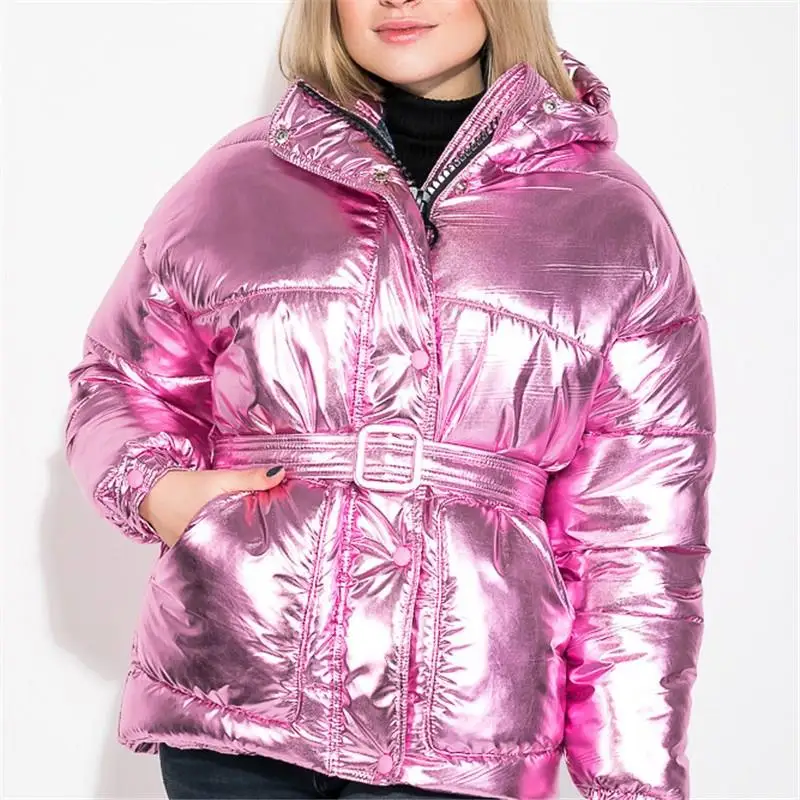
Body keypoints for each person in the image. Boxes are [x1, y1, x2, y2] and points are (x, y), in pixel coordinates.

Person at [64, 0, 717, 798]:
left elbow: (639, 539)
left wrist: (632, 781)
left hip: (465, 733)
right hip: (235, 699)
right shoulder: (235, 181)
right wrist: (158, 490)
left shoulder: (613, 223)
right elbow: (117, 381)